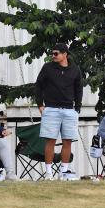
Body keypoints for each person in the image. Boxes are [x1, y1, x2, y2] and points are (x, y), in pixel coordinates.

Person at [35, 43, 83, 181]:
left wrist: (77, 108)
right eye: (52, 53)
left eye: (56, 54)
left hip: (69, 110)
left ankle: (64, 172)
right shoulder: (47, 68)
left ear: (65, 54)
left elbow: (79, 89)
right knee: (50, 141)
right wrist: (40, 104)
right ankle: (49, 173)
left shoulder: (75, 70)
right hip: (51, 109)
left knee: (68, 141)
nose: (53, 56)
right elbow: (38, 85)